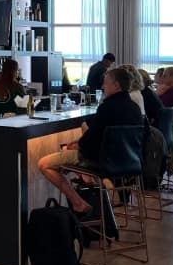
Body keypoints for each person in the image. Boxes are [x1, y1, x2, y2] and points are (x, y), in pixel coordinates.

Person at [37, 66, 144, 215]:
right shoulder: (134, 108)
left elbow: (91, 142)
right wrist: (80, 143)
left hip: (102, 162)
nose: (102, 86)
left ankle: (78, 203)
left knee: (44, 164)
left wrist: (77, 146)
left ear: (116, 85)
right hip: (129, 162)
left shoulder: (107, 108)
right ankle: (97, 196)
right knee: (73, 156)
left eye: (105, 83)